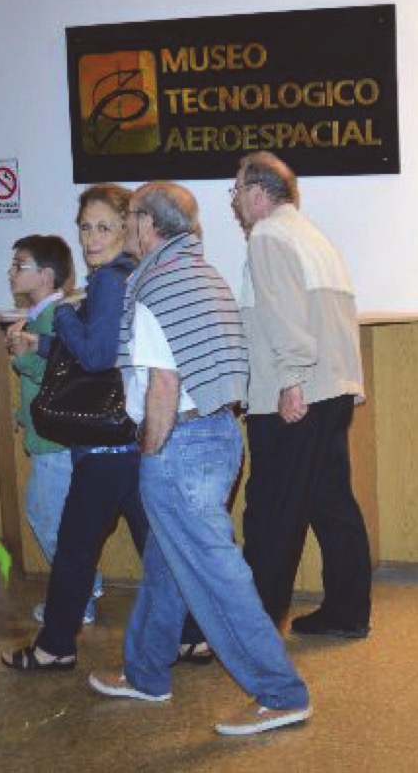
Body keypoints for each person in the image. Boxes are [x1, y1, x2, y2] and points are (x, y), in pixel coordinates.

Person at [87, 181, 311, 737]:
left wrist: (149, 451)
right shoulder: (203, 276)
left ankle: (281, 692)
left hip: (178, 444)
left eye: (127, 217)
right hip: (219, 435)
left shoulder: (153, 285)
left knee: (217, 577)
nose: (121, 229)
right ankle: (145, 673)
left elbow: (162, 382)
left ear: (146, 224)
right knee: (168, 566)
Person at [2, 184, 208, 671]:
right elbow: (109, 353)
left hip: (108, 444)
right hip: (130, 439)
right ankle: (191, 636)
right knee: (153, 541)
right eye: (85, 227)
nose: (91, 238)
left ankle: (55, 645)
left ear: (126, 227)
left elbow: (95, 358)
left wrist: (67, 318)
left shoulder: (109, 281)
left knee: (76, 548)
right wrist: (48, 346)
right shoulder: (132, 274)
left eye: (104, 227)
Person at [231, 151, 372, 638]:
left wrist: (291, 381)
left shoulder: (269, 236)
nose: (234, 202)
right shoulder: (316, 238)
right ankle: (348, 611)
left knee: (272, 508)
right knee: (331, 504)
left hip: (292, 395)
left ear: (257, 193)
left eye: (236, 190)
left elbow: (281, 316)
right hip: (331, 389)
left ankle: (256, 623)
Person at [6, 235, 101, 624]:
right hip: (49, 438)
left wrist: (24, 357)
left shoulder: (54, 317)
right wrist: (22, 412)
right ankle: (84, 592)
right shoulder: (42, 316)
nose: (11, 272)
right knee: (56, 519)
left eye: (20, 265)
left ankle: (79, 598)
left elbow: (56, 373)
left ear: (46, 275)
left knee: (47, 517)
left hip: (55, 444)